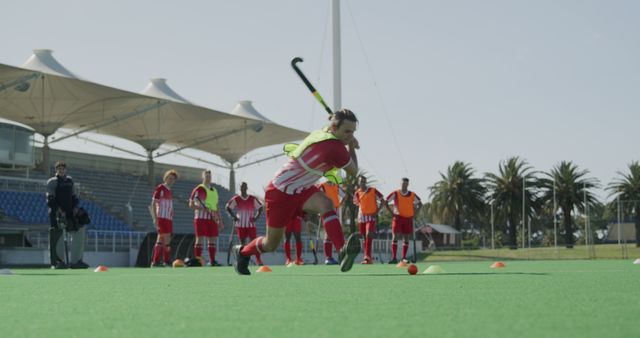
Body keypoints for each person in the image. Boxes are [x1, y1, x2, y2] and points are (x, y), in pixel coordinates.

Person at [232, 109, 361, 275]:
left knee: (326, 204)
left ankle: (342, 251)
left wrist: (347, 138)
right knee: (270, 244)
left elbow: (332, 133)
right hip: (280, 192)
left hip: (302, 189)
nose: (350, 135)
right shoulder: (334, 147)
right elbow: (354, 171)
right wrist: (351, 145)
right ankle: (242, 252)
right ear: (334, 128)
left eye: (352, 132)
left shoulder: (322, 133)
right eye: (347, 131)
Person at [46, 160, 88, 269]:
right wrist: (59, 210)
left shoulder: (70, 181)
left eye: (63, 168)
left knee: (80, 230)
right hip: (57, 214)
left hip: (70, 213)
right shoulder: (52, 182)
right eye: (59, 168)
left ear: (65, 169)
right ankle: (59, 262)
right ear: (56, 169)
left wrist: (75, 208)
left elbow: (74, 197)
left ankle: (76, 261)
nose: (61, 170)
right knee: (58, 236)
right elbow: (50, 199)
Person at [189, 169, 223, 266]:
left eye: (209, 176)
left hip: (212, 218)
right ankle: (197, 261)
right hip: (200, 218)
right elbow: (191, 204)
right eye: (206, 176)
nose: (208, 178)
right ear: (203, 177)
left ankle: (212, 261)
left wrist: (219, 220)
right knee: (199, 239)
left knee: (212, 240)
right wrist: (200, 208)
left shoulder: (214, 190)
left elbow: (216, 206)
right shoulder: (198, 189)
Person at [385, 178, 422, 264]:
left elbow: (420, 204)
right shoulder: (395, 193)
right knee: (395, 237)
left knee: (406, 238)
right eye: (403, 183)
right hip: (398, 218)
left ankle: (403, 258)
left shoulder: (412, 194)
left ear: (408, 184)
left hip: (408, 218)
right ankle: (394, 258)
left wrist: (415, 214)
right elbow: (386, 202)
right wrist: (391, 213)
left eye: (406, 184)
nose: (404, 185)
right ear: (400, 184)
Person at [225, 181, 264, 265]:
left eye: (245, 186)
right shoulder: (236, 199)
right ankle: (243, 262)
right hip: (240, 225)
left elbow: (260, 207)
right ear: (240, 188)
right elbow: (227, 207)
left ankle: (258, 260)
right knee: (242, 244)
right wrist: (233, 216)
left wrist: (256, 217)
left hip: (251, 225)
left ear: (247, 188)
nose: (243, 188)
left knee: (254, 243)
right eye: (242, 186)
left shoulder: (252, 198)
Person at [353, 175, 385, 264]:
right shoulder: (357, 193)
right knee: (364, 237)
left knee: (369, 234)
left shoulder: (373, 190)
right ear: (358, 183)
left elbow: (383, 200)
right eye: (360, 181)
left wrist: (377, 211)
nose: (362, 183)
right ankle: (366, 257)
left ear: (366, 182)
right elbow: (357, 204)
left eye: (364, 181)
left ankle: (367, 257)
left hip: (371, 216)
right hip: (361, 217)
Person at [150, 169, 178, 267]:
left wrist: (172, 211)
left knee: (162, 239)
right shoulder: (160, 188)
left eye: (173, 179)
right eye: (169, 178)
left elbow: (169, 204)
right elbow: (153, 203)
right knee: (165, 239)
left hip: (168, 218)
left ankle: (156, 261)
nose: (171, 180)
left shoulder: (169, 191)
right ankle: (164, 261)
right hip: (161, 217)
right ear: (165, 178)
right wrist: (155, 218)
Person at [318, 176, 343, 264]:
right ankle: (328, 257)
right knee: (328, 233)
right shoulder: (322, 186)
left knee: (334, 232)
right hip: (326, 209)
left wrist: (339, 204)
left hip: (335, 210)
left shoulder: (336, 186)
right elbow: (318, 197)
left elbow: (344, 196)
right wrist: (319, 209)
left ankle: (331, 257)